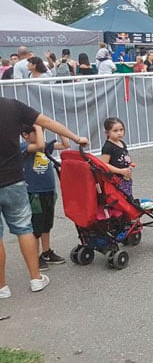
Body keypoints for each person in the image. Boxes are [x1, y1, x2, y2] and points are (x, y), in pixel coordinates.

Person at [1, 97, 89, 299]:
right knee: (24, 228)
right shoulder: (12, 105)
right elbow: (47, 122)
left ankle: (2, 287)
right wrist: (76, 138)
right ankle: (35, 278)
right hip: (13, 179)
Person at [20, 124, 70, 271]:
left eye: (43, 132)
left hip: (48, 191)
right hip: (34, 193)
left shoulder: (46, 146)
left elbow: (66, 144)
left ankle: (46, 252)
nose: (41, 134)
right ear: (25, 135)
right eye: (37, 132)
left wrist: (57, 129)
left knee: (46, 225)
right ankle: (34, 256)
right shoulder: (24, 147)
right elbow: (39, 145)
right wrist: (38, 125)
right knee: (36, 227)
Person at [100, 118, 134, 198]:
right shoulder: (108, 147)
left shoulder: (121, 143)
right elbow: (104, 164)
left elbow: (123, 155)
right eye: (115, 131)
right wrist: (120, 171)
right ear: (107, 133)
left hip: (126, 176)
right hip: (116, 179)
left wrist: (129, 163)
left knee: (128, 197)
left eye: (121, 130)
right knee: (121, 198)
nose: (119, 133)